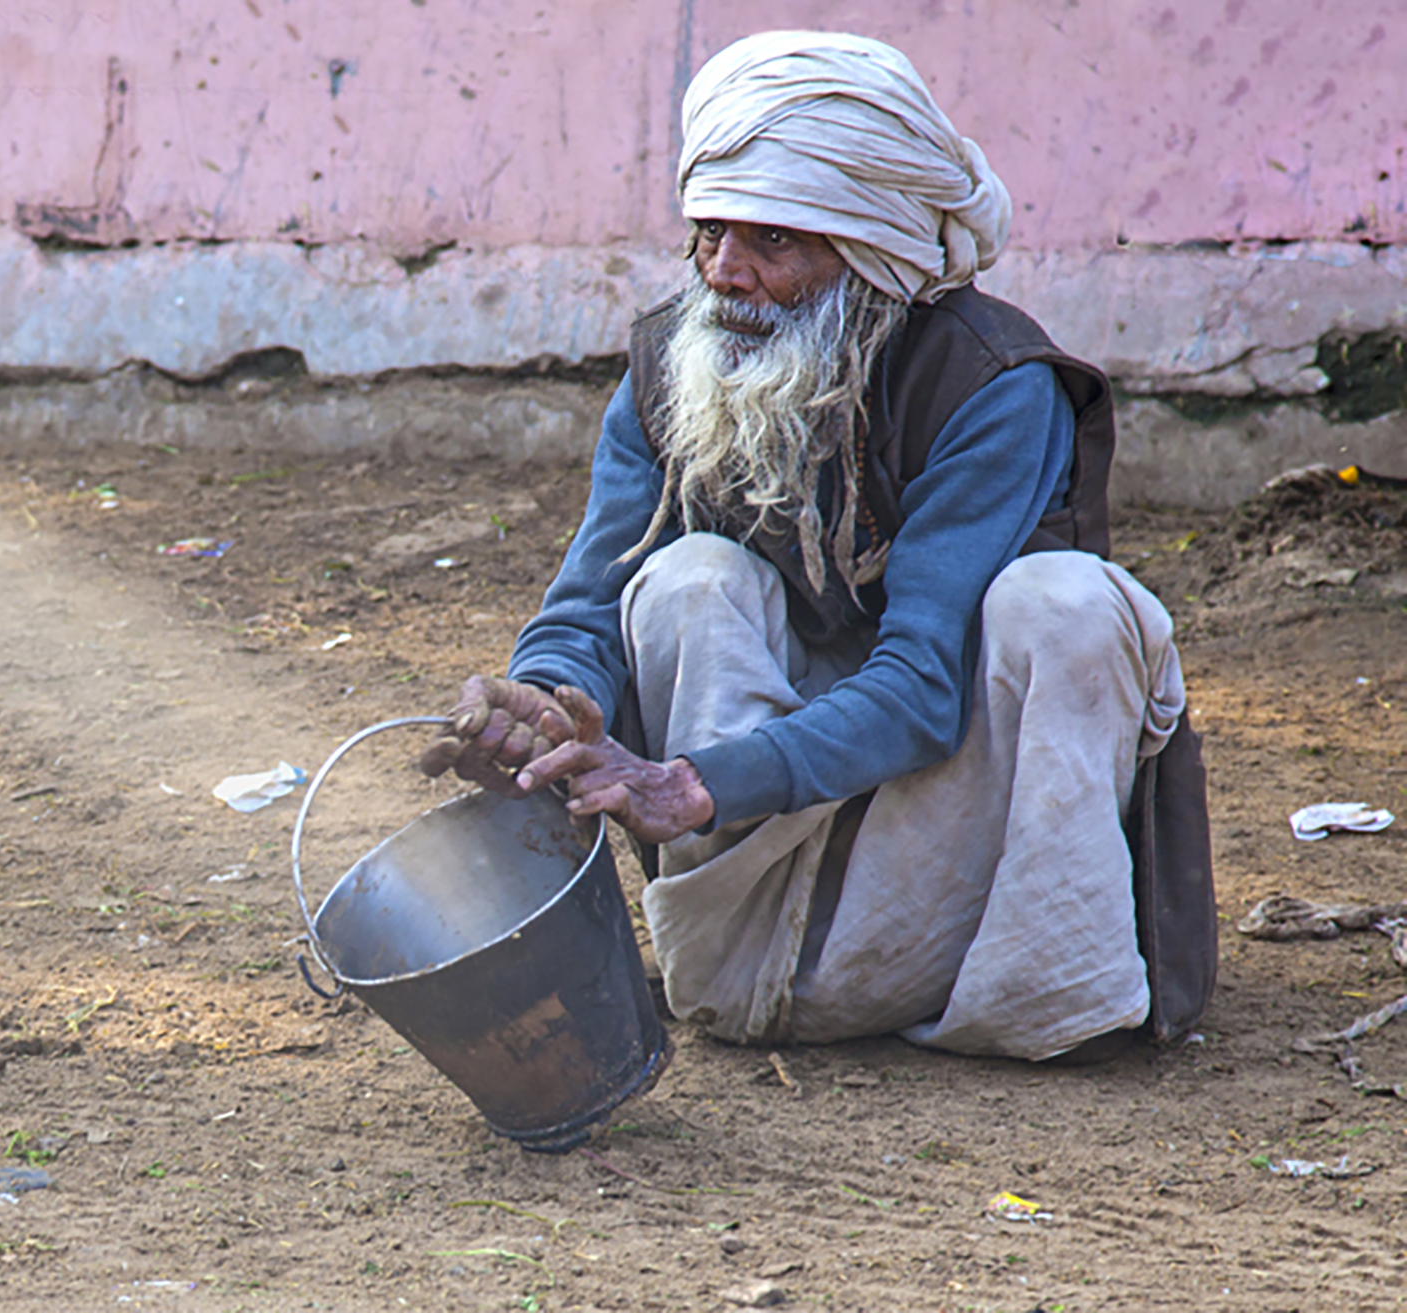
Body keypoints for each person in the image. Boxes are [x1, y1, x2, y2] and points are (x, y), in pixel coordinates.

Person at [418, 31, 1213, 1063]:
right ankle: (752, 969)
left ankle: (1037, 997)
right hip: (761, 833)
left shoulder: (992, 384)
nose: (725, 273)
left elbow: (921, 684)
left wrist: (693, 783)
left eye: (774, 241)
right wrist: (542, 699)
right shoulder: (672, 358)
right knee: (686, 578)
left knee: (1068, 605)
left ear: (870, 254)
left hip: (958, 817)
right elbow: (592, 597)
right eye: (710, 232)